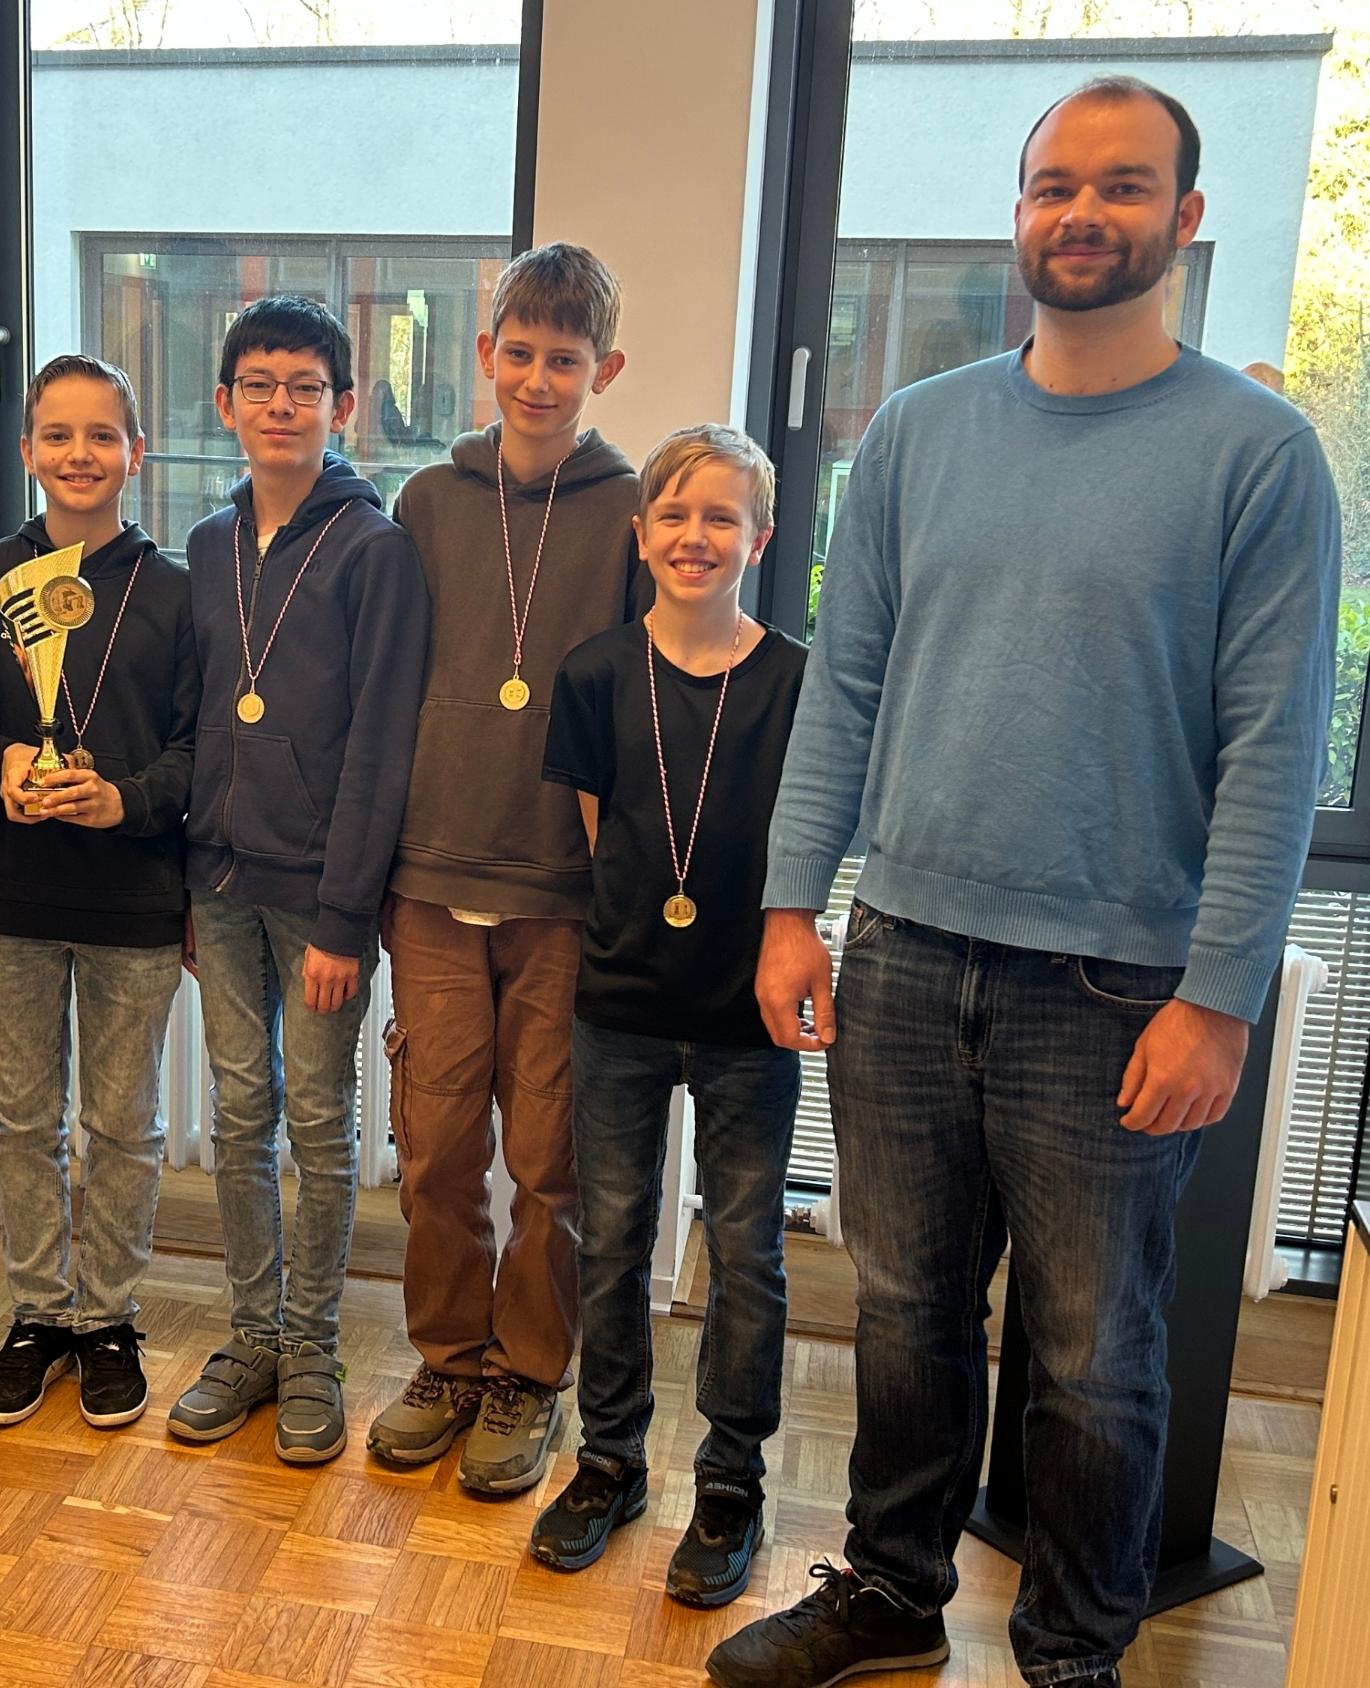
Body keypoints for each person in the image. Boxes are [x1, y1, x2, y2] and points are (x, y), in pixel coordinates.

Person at [709, 78, 1341, 1688]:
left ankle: (1072, 1651)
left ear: (1184, 219)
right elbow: (844, 686)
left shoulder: (1258, 459)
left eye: (1121, 187)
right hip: (906, 956)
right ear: (1016, 214)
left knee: (1091, 1357)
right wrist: (795, 905)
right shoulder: (921, 429)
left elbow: (1274, 750)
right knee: (908, 1311)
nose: (1081, 213)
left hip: (1116, 987)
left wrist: (1215, 1001)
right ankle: (888, 1591)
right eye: (1052, 185)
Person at [367, 241, 640, 1498]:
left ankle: (529, 1371)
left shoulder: (632, 509)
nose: (538, 378)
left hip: (560, 894)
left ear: (604, 368)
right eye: (518, 353)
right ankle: (449, 1356)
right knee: (434, 1146)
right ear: (485, 355)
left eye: (565, 359)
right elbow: (381, 699)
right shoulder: (425, 500)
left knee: (548, 1157)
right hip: (429, 876)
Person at [532, 425, 804, 1604]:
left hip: (751, 1014)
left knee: (746, 1251)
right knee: (613, 1239)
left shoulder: (796, 681)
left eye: (722, 516)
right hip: (624, 1002)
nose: (697, 536)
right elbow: (606, 835)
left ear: (763, 534)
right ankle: (608, 1460)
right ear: (641, 533)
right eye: (676, 514)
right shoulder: (594, 673)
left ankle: (732, 1479)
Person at [165, 295, 431, 1463]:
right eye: (260, 384)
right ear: (224, 403)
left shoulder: (376, 551)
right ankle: (254, 1334)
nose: (282, 405)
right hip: (219, 885)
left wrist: (345, 918)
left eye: (306, 387)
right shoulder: (209, 544)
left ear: (344, 405)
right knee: (237, 1113)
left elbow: (382, 747)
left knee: (320, 1124)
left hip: (318, 899)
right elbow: (202, 715)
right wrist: (185, 871)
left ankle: (314, 1342)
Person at [0, 354, 198, 1430]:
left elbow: (199, 749)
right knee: (22, 1120)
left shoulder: (178, 590)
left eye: (103, 436)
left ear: (135, 454)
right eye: (60, 435)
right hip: (11, 892)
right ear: (28, 451)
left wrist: (127, 802)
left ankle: (107, 1314)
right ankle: (40, 1310)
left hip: (135, 896)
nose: (81, 455)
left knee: (124, 1123)